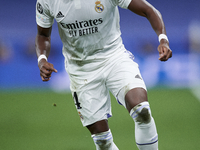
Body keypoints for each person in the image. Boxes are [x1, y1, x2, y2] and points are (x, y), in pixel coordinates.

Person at [35, 0, 172, 149]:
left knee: (141, 110)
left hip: (114, 57)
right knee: (102, 141)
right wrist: (42, 59)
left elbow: (148, 10)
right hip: (81, 69)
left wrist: (163, 40)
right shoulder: (47, 1)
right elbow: (43, 34)